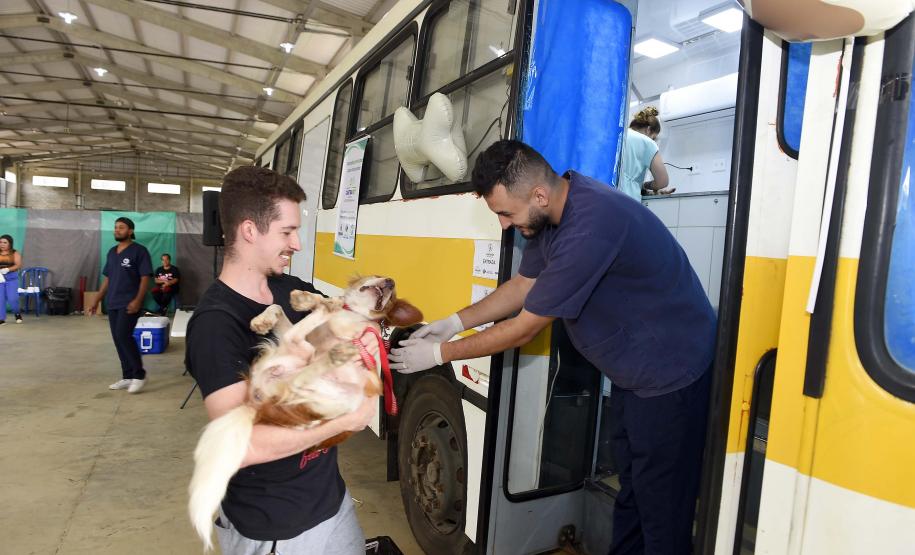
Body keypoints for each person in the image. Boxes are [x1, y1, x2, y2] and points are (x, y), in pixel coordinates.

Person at [389, 140, 717, 554]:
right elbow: (522, 287)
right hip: (634, 373)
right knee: (633, 490)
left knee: (662, 509)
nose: (504, 225)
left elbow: (523, 329)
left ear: (539, 196)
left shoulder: (591, 226)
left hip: (671, 374)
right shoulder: (552, 214)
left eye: (506, 214)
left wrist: (441, 354)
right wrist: (454, 323)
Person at [185, 166, 376, 555]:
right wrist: (344, 422)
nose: (297, 244)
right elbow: (241, 447)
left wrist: (365, 334)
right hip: (274, 526)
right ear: (249, 231)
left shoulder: (290, 290)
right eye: (287, 232)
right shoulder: (215, 325)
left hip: (330, 500)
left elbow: (341, 336)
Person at [87, 217, 153, 394]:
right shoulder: (112, 252)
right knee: (118, 339)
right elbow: (108, 279)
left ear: (130, 231)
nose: (117, 230)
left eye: (121, 227)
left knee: (124, 336)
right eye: (116, 227)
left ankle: (139, 374)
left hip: (130, 302)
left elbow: (145, 278)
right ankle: (128, 376)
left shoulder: (139, 251)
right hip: (113, 302)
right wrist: (97, 299)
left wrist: (138, 300)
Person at [620, 106, 674, 201]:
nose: (653, 140)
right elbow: (663, 181)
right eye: (653, 137)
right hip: (626, 201)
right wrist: (646, 185)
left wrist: (645, 191)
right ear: (648, 130)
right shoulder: (647, 143)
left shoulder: (618, 134)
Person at [0, 234, 23, 325]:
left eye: (5, 242)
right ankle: (1, 318)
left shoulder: (15, 253)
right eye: (0, 242)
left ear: (10, 243)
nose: (2, 244)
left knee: (12, 298)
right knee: (0, 299)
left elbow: (18, 265)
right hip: (0, 278)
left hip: (11, 278)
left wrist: (8, 269)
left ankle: (17, 313)